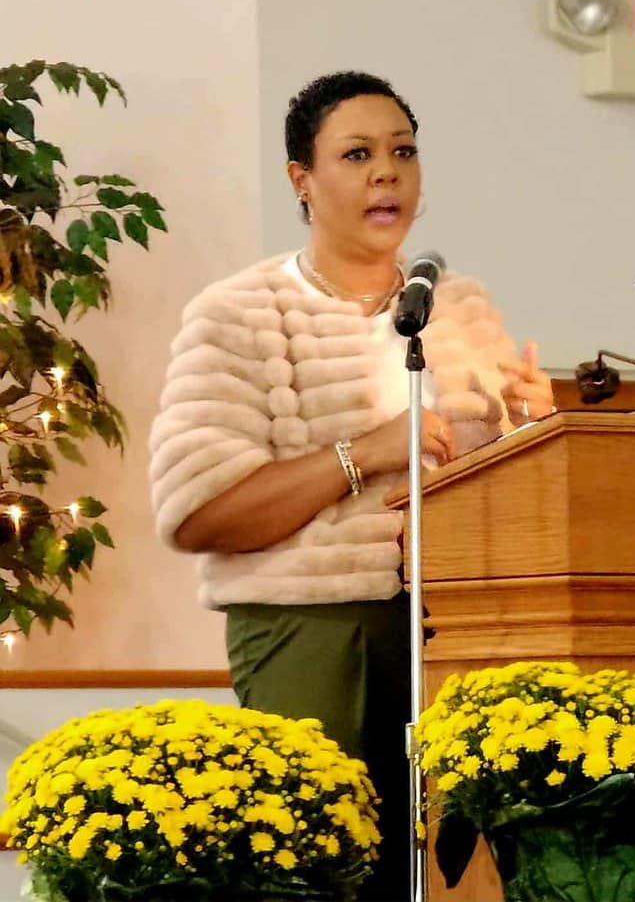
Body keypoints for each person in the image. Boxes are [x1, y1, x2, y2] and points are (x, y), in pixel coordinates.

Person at [149, 71, 554, 900]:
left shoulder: (458, 308)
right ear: (301, 179)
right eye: (358, 154)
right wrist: (363, 453)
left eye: (403, 152)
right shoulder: (241, 314)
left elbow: (499, 488)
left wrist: (534, 428)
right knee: (328, 869)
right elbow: (198, 512)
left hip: (459, 630)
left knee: (460, 870)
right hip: (315, 630)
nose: (387, 173)